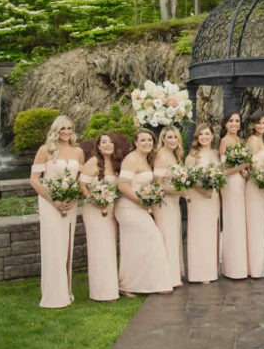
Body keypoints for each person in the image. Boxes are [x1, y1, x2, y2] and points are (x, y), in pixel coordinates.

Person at [30, 115, 85, 308]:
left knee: (68, 246)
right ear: (56, 130)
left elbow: (80, 179)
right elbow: (34, 180)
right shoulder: (46, 150)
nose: (66, 132)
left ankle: (67, 291)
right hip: (49, 202)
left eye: (69, 128)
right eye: (63, 128)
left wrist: (73, 196)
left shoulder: (78, 152)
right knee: (54, 247)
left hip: (70, 202)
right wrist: (54, 200)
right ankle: (53, 295)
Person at [116, 128, 173, 296]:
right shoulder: (131, 159)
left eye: (150, 140)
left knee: (140, 244)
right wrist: (141, 201)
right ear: (135, 142)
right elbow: (122, 185)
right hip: (128, 207)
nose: (147, 143)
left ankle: (148, 283)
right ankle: (127, 284)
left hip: (140, 206)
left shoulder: (146, 159)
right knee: (151, 239)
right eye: (143, 140)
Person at [79, 132, 126, 302]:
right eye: (103, 142)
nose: (107, 145)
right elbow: (82, 185)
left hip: (110, 209)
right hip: (94, 210)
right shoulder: (92, 162)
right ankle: (101, 292)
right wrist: (95, 200)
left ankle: (111, 287)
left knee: (109, 248)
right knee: (99, 248)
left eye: (110, 142)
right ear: (98, 146)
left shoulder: (115, 163)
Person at [184, 123, 221, 284]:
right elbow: (188, 179)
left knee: (211, 231)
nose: (204, 137)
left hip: (213, 196)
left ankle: (211, 270)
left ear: (212, 136)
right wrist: (201, 190)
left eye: (207, 134)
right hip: (198, 197)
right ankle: (199, 273)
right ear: (197, 138)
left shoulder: (216, 153)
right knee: (199, 232)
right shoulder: (193, 155)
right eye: (201, 135)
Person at [153, 125, 188, 288]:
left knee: (173, 236)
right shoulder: (161, 156)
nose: (173, 140)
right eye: (169, 137)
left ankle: (173, 275)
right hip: (164, 203)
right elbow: (157, 185)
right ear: (163, 140)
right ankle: (167, 277)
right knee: (167, 237)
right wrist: (178, 192)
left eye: (175, 137)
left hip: (173, 202)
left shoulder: (173, 156)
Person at [219, 111, 249, 280]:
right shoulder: (224, 141)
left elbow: (238, 165)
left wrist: (244, 170)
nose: (234, 124)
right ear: (225, 124)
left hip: (239, 182)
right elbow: (224, 170)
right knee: (233, 221)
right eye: (231, 121)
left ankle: (240, 264)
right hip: (230, 184)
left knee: (239, 221)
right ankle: (233, 268)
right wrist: (241, 167)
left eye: (237, 121)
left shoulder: (239, 141)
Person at [245, 110, 264, 278]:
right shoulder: (253, 140)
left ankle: (261, 262)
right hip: (255, 187)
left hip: (261, 187)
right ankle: (255, 268)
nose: (262, 126)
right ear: (253, 125)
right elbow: (252, 167)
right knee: (255, 226)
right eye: (259, 123)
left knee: (261, 224)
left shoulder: (262, 139)